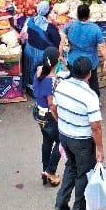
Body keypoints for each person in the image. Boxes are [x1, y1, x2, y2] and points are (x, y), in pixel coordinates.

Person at [52, 57, 105, 210]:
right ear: (89, 74)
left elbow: (53, 107)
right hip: (81, 140)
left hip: (64, 135)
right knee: (83, 173)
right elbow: (95, 127)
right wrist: (100, 149)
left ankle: (61, 201)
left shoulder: (61, 86)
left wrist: (62, 122)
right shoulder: (90, 95)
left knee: (71, 166)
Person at [62, 4, 106, 95]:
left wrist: (60, 54)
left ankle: (73, 97)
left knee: (73, 80)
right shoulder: (95, 29)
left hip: (73, 60)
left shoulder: (70, 25)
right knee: (93, 82)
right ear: (89, 15)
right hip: (90, 61)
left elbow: (62, 39)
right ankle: (95, 99)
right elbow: (102, 46)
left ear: (77, 14)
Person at [33, 48, 62, 188]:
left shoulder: (39, 71)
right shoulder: (50, 81)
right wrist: (58, 119)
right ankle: (50, 171)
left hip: (38, 113)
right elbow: (52, 104)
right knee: (62, 142)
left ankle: (45, 170)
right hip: (48, 115)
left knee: (47, 141)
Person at [22, 1, 62, 94]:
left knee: (29, 69)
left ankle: (29, 87)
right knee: (40, 71)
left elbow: (25, 33)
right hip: (41, 53)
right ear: (48, 12)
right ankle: (39, 91)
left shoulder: (30, 20)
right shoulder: (50, 27)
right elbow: (57, 41)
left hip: (29, 49)